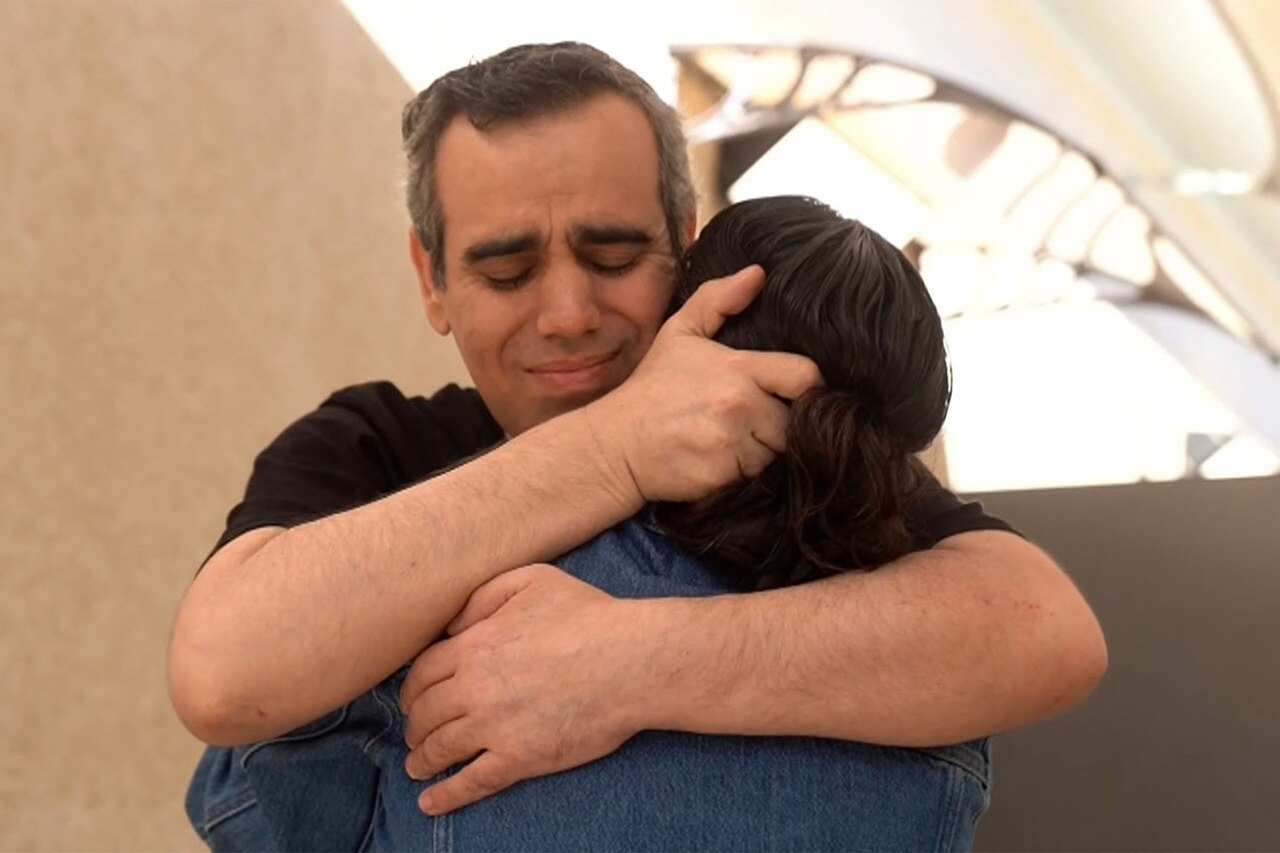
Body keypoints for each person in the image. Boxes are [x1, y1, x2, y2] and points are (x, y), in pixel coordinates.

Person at [171, 41, 1107, 850]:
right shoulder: (376, 441)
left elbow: (1044, 632)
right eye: (507, 269)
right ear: (434, 279)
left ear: (688, 246)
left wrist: (625, 663)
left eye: (615, 259)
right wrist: (614, 448)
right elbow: (224, 676)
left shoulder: (782, 436)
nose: (570, 313)